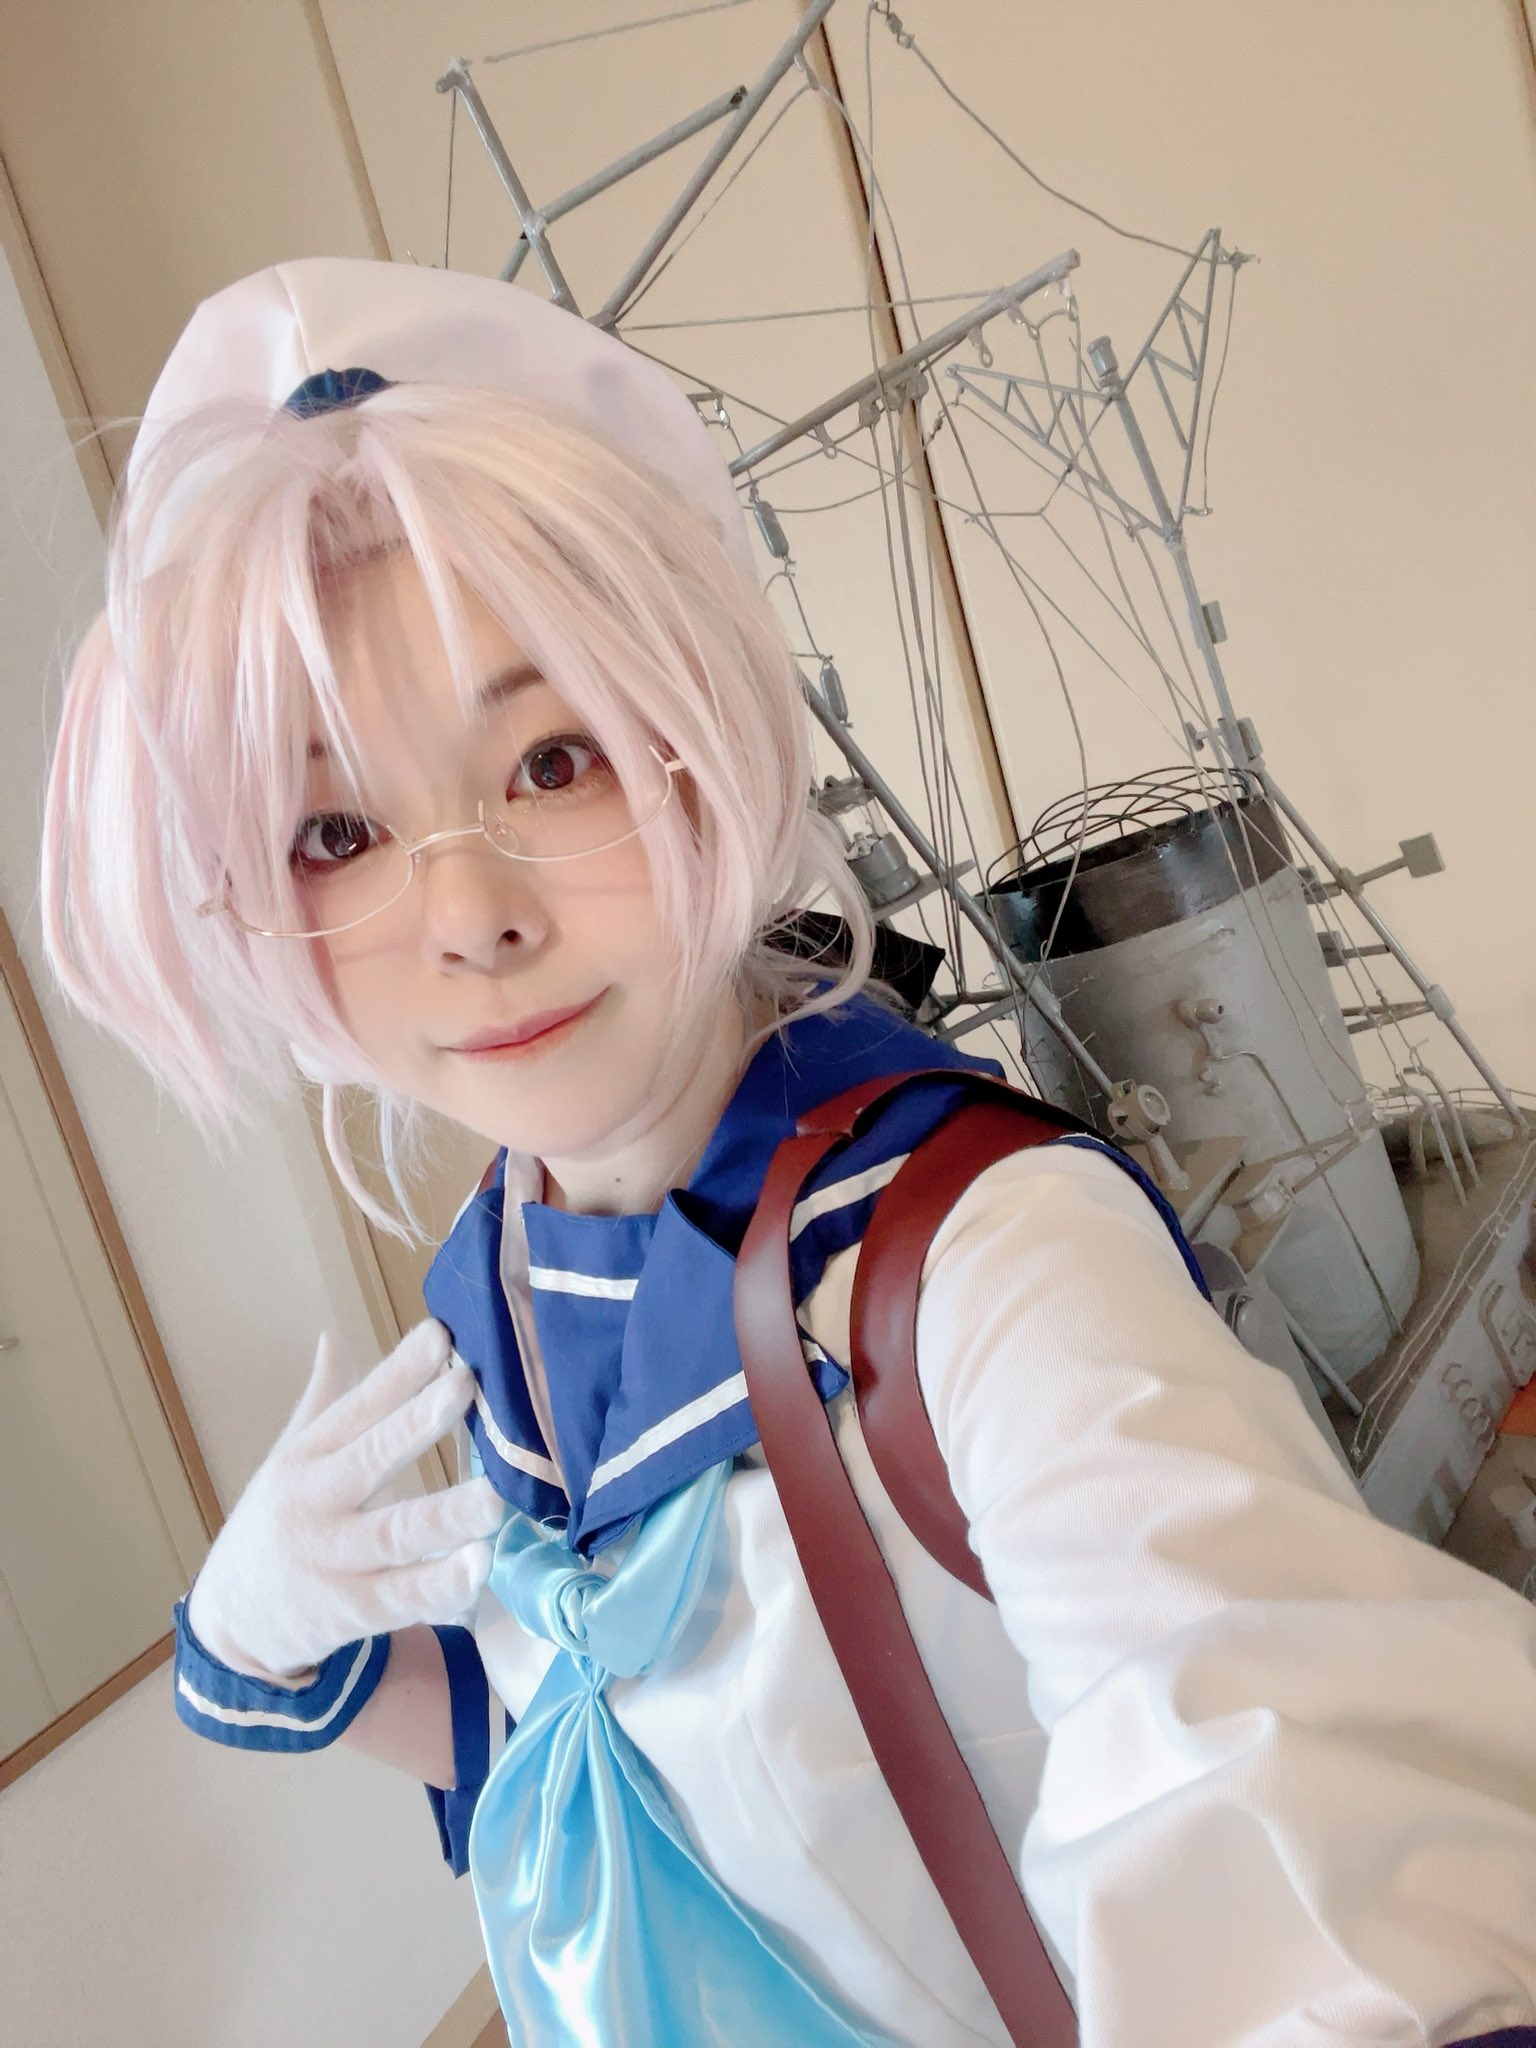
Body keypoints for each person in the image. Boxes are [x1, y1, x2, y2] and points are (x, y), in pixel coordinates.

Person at [38, 257, 1536, 2048]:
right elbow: (584, 1741)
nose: (468, 916)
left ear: (699, 741)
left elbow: (1274, 1763)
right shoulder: (506, 1273)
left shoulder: (979, 1261)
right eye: (334, 830)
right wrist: (259, 1647)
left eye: (551, 761)